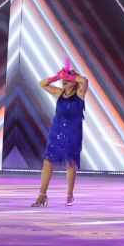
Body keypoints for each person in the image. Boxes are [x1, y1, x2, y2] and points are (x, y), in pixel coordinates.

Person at [33, 60, 88, 206]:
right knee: (48, 162)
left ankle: (69, 195)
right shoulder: (60, 93)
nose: (64, 81)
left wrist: (70, 75)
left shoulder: (80, 94)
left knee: (70, 164)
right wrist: (57, 77)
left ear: (73, 83)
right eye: (64, 80)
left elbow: (84, 80)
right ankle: (42, 195)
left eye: (67, 79)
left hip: (73, 134)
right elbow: (42, 84)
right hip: (56, 132)